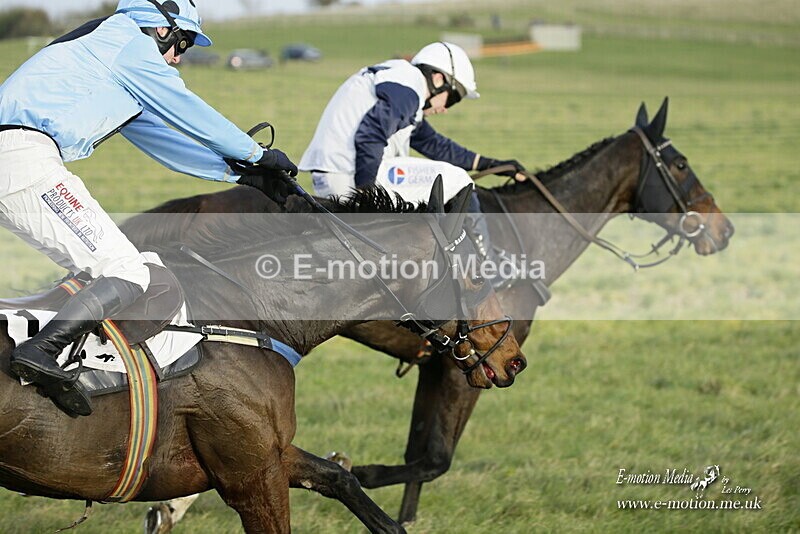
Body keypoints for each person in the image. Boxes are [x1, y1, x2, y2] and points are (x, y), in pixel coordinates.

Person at [0, 0, 297, 417]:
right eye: (183, 43)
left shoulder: (111, 58)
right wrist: (255, 153)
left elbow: (161, 138)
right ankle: (40, 352)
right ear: (160, 29)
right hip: (23, 159)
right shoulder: (126, 42)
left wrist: (241, 175)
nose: (179, 57)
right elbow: (185, 107)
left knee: (111, 270)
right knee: (126, 272)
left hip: (17, 161)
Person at [299, 41, 524, 288]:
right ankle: (488, 266)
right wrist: (367, 197)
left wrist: (491, 164)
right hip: (352, 172)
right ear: (438, 79)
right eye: (453, 99)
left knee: (443, 181)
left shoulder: (401, 84)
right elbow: (370, 135)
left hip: (334, 172)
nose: (445, 109)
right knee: (459, 181)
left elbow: (434, 144)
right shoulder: (408, 87)